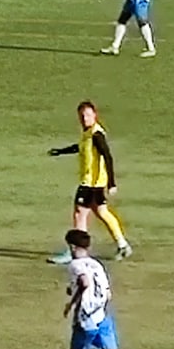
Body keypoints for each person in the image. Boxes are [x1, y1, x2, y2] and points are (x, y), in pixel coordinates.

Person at [58, 229, 147, 349]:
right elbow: (107, 293)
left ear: (72, 247)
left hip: (86, 322)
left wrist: (71, 304)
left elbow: (84, 282)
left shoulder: (75, 265)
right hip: (103, 318)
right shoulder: (97, 264)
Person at [48, 101, 131, 261]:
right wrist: (60, 151)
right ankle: (123, 245)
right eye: (81, 116)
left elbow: (107, 156)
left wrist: (112, 182)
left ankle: (77, 251)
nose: (84, 119)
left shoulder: (96, 135)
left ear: (95, 115)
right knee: (102, 212)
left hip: (91, 184)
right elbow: (80, 147)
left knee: (80, 214)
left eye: (87, 115)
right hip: (95, 183)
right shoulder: (88, 133)